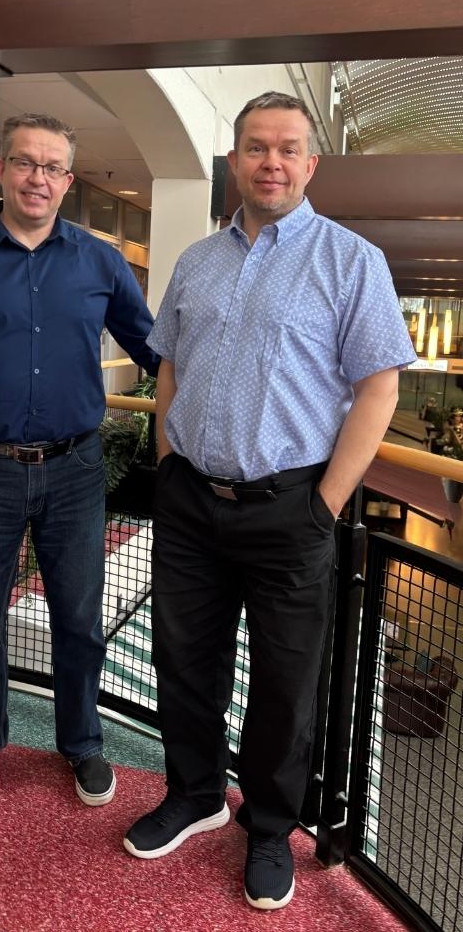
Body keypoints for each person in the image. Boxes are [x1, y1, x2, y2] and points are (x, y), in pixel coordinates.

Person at [123, 92, 416, 909]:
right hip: (191, 500)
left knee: (286, 682)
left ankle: (269, 826)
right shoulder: (197, 260)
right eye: (256, 147)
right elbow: (169, 365)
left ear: (311, 163)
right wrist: (169, 462)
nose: (272, 162)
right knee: (184, 659)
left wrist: (324, 505)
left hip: (291, 508)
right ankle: (195, 794)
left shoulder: (351, 260)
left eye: (288, 149)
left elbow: (379, 389)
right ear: (235, 160)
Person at [0, 113, 159, 806]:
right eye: (24, 162)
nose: (37, 178)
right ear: (0, 169)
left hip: (76, 470)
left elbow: (155, 350)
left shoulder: (100, 262)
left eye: (52, 167)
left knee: (78, 619)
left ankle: (83, 744)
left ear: (68, 181)